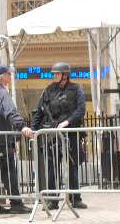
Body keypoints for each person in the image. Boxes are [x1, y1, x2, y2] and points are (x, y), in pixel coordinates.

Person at [32, 62, 87, 210]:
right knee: (52, 167)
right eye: (54, 73)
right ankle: (52, 200)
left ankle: (75, 198)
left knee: (73, 165)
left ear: (65, 75)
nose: (54, 76)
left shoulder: (76, 89)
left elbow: (81, 110)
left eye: (57, 73)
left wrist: (67, 122)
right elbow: (39, 111)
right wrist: (33, 130)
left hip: (71, 132)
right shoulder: (48, 90)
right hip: (53, 134)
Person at [0, 64, 34, 215]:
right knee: (9, 172)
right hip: (2, 140)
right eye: (8, 74)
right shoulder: (1, 93)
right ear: (3, 77)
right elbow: (10, 111)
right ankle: (16, 203)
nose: (10, 76)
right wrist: (22, 126)